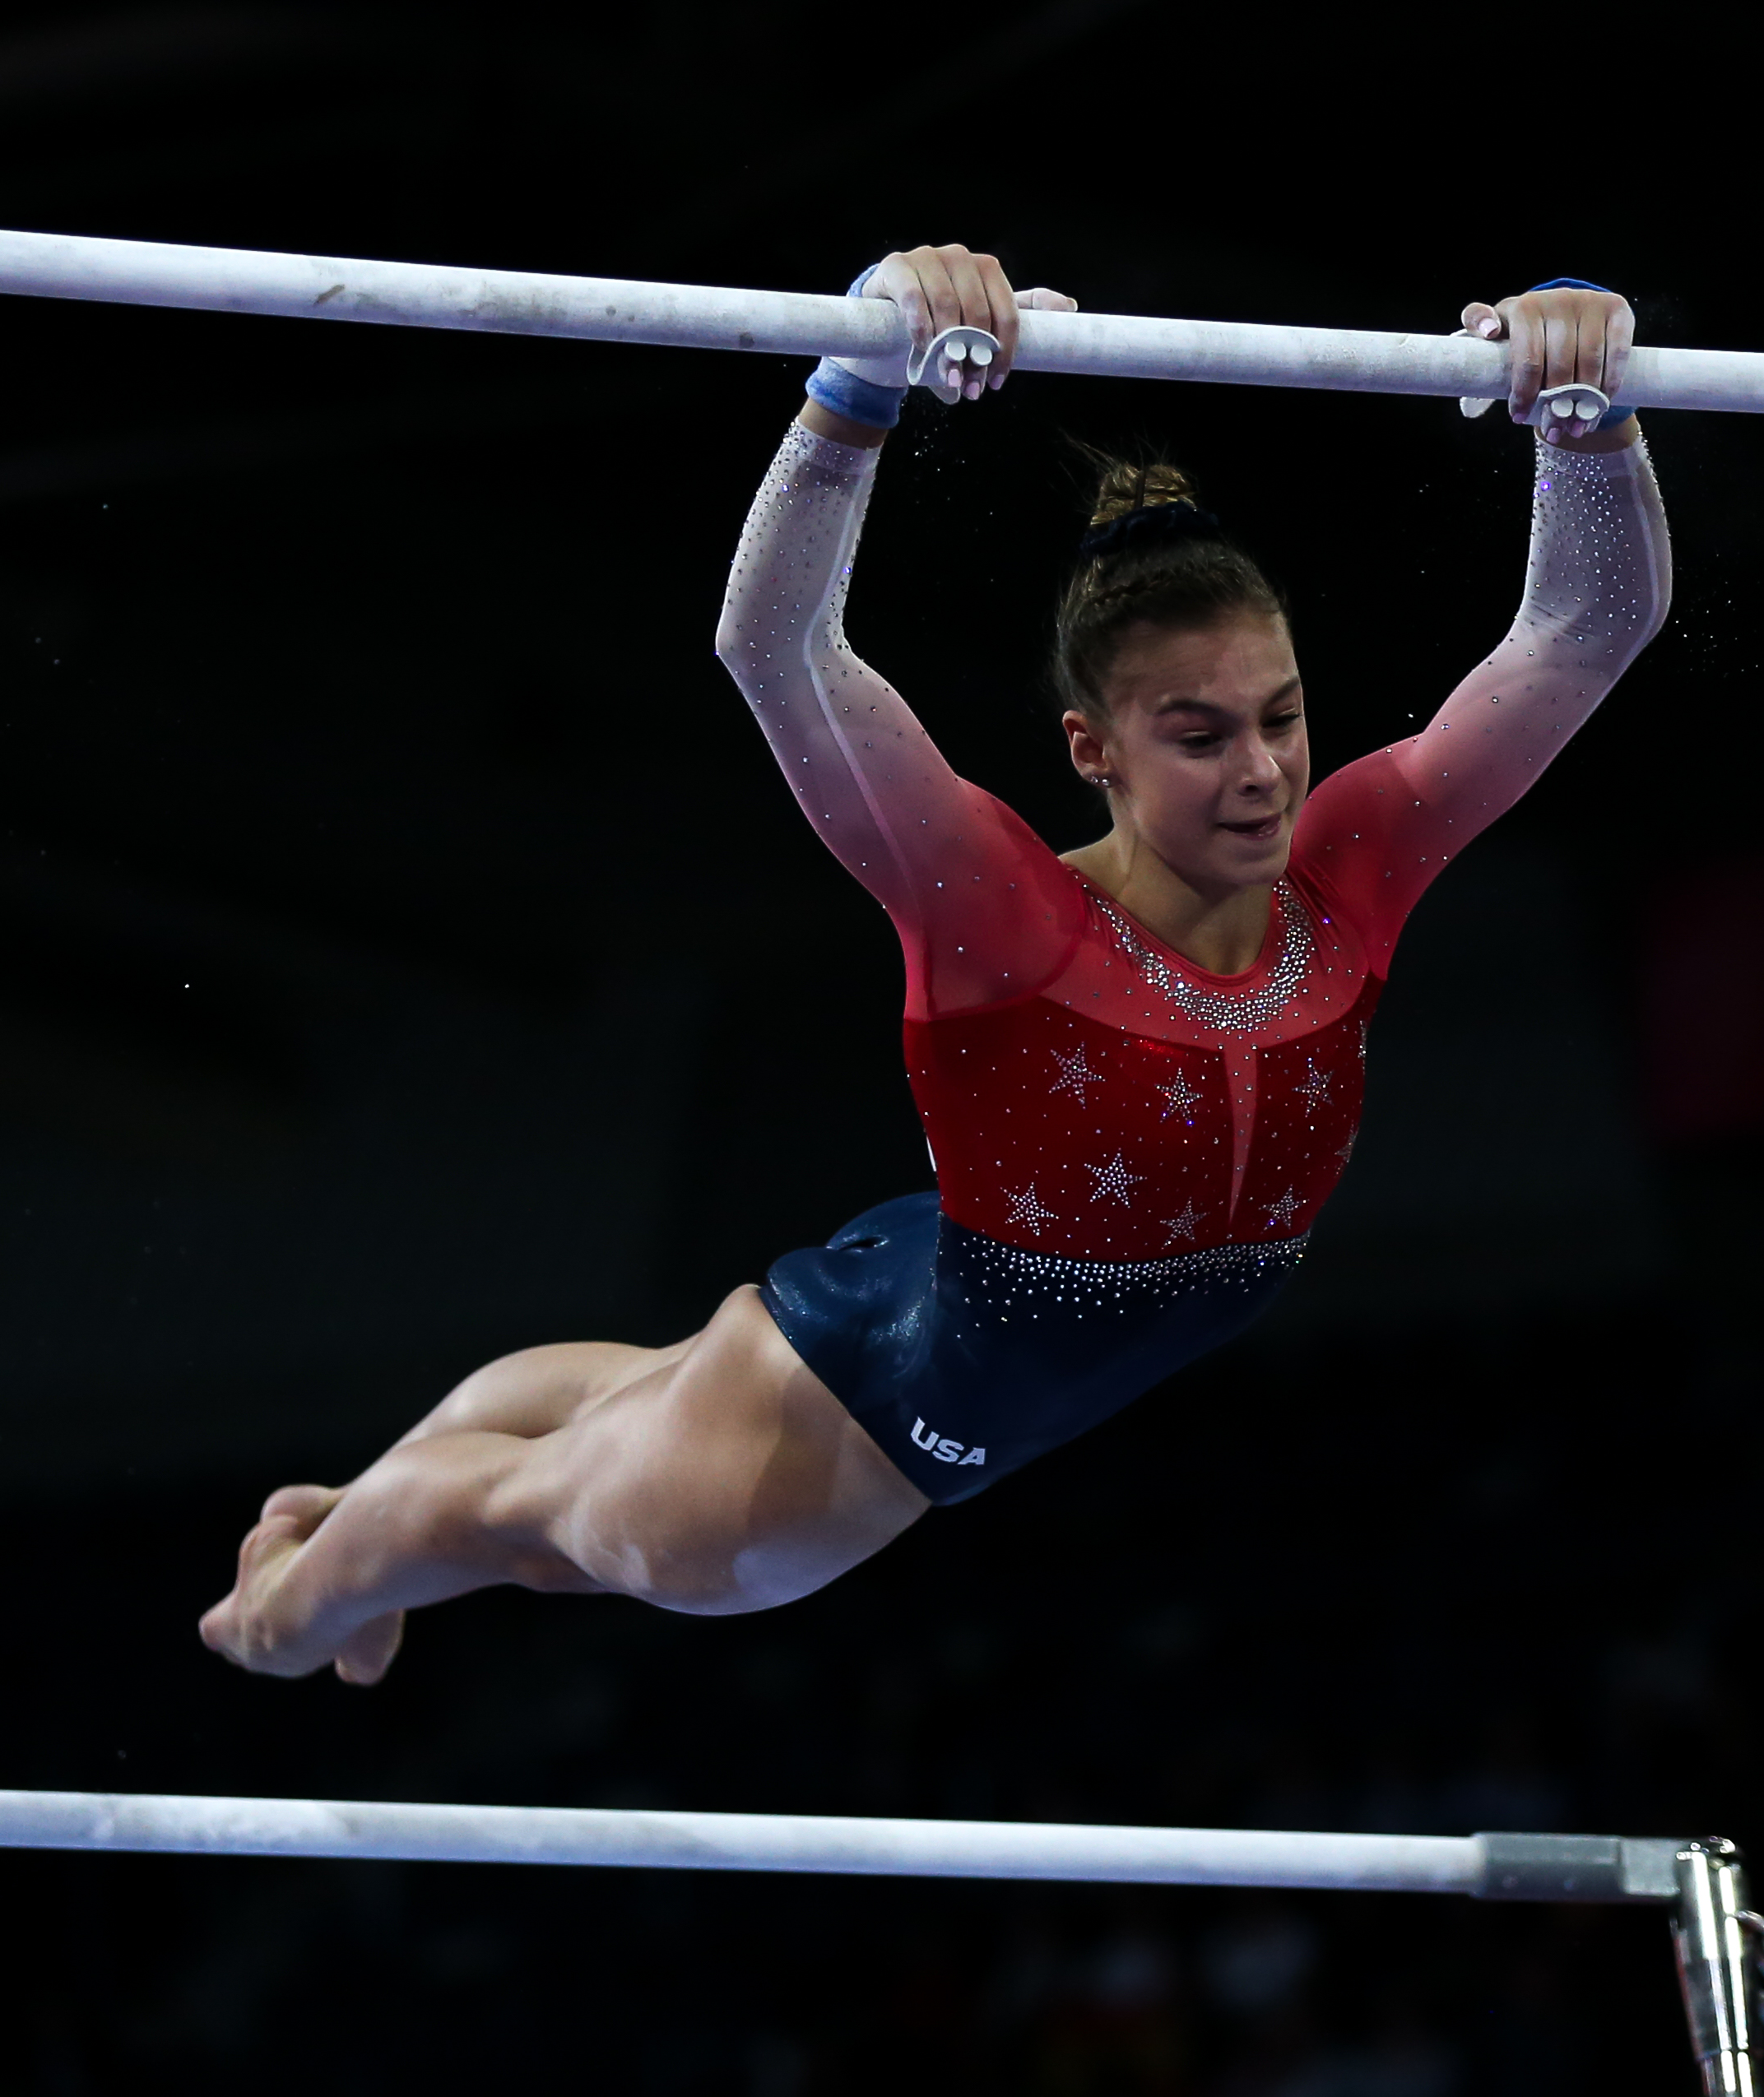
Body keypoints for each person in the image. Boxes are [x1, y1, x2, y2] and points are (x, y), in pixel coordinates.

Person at [201, 246, 1670, 1685]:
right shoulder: (1005, 914)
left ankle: (351, 1520)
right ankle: (281, 1609)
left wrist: (1589, 420)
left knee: (627, 1403)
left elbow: (1587, 626)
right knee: (518, 1526)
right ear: (1092, 749)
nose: (1264, 776)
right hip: (834, 1445)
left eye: (1281, 718)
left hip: (943, 1276)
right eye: (1199, 734)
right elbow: (779, 651)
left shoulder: (1356, 870)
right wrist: (852, 391)